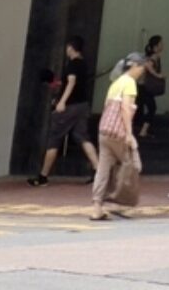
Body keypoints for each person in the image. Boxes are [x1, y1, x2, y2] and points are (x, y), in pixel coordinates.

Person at [30, 35, 99, 187]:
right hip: (83, 105)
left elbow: (71, 82)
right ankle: (98, 170)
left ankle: (43, 176)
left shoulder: (72, 64)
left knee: (54, 138)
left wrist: (62, 102)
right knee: (82, 136)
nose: (66, 49)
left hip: (70, 106)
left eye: (67, 47)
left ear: (71, 48)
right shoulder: (83, 64)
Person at [90, 52, 143, 221]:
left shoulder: (116, 83)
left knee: (103, 169)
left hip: (105, 130)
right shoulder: (130, 83)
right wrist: (129, 134)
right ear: (134, 66)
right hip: (119, 133)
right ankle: (121, 204)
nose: (142, 71)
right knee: (130, 165)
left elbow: (107, 106)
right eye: (141, 67)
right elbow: (126, 109)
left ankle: (97, 207)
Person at [137, 35, 166, 139]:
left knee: (143, 107)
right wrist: (158, 75)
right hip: (145, 87)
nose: (163, 45)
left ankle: (142, 130)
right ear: (156, 46)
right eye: (161, 43)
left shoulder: (153, 56)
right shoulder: (154, 57)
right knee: (151, 107)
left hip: (142, 86)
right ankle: (143, 131)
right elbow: (148, 65)